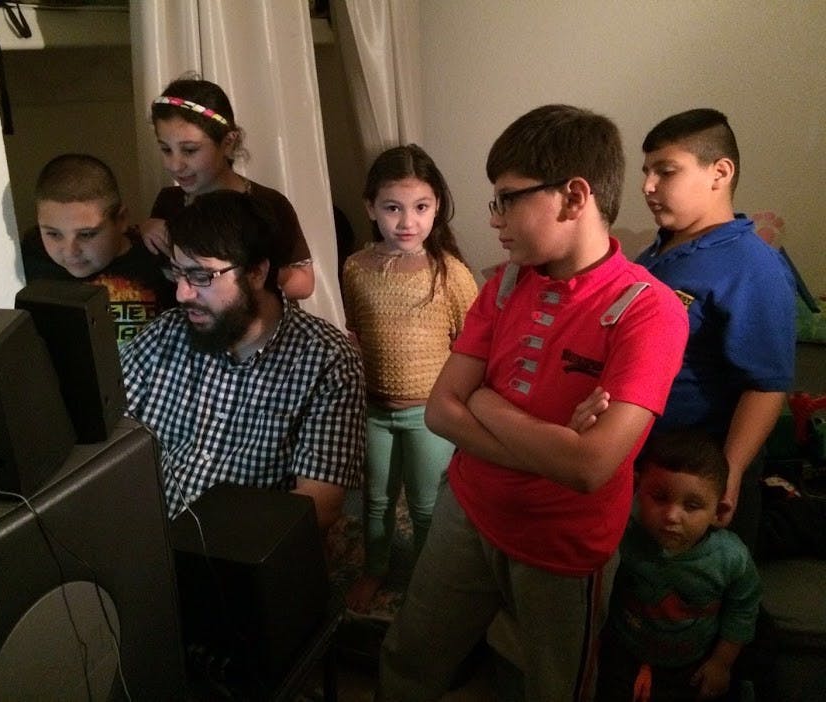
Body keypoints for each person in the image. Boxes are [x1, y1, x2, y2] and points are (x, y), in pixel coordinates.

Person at [377, 105, 689, 702]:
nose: (494, 218)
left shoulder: (649, 310)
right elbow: (442, 410)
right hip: (467, 512)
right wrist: (553, 443)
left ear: (574, 197)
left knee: (550, 686)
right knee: (410, 657)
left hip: (562, 547)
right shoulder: (506, 282)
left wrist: (488, 405)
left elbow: (590, 467)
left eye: (507, 198)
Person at [121, 189, 365, 530]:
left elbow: (320, 501)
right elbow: (109, 435)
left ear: (255, 273)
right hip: (139, 535)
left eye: (201, 276)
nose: (182, 293)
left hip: (242, 551)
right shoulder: (164, 335)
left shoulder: (327, 359)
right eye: (178, 273)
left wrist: (203, 543)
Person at [636, 108, 796, 554]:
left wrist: (730, 471)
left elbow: (766, 385)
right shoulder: (658, 249)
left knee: (705, 593)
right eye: (646, 172)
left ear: (719, 173)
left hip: (699, 478)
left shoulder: (752, 267)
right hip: (646, 465)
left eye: (665, 171)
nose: (648, 186)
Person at [341, 144, 478, 613]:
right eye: (393, 208)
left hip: (430, 415)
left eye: (421, 208)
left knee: (425, 506)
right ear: (371, 208)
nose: (407, 222)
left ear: (437, 207)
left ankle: (426, 577)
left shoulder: (451, 275)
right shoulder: (356, 269)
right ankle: (375, 568)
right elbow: (356, 330)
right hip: (375, 411)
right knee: (374, 501)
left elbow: (472, 345)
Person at [596, 429, 761, 702]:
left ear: (718, 510)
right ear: (637, 489)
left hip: (693, 664)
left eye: (692, 505)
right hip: (623, 653)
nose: (672, 516)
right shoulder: (622, 533)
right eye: (659, 498)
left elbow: (743, 611)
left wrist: (722, 663)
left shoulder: (731, 558)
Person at [141, 74, 315, 301]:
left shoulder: (269, 203)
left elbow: (304, 283)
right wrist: (144, 229)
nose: (175, 164)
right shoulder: (169, 202)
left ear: (228, 143)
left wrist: (242, 272)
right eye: (166, 150)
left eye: (190, 150)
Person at [21, 153, 176, 349]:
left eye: (86, 234)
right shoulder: (29, 258)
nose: (70, 252)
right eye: (53, 234)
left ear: (121, 220)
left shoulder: (156, 257)